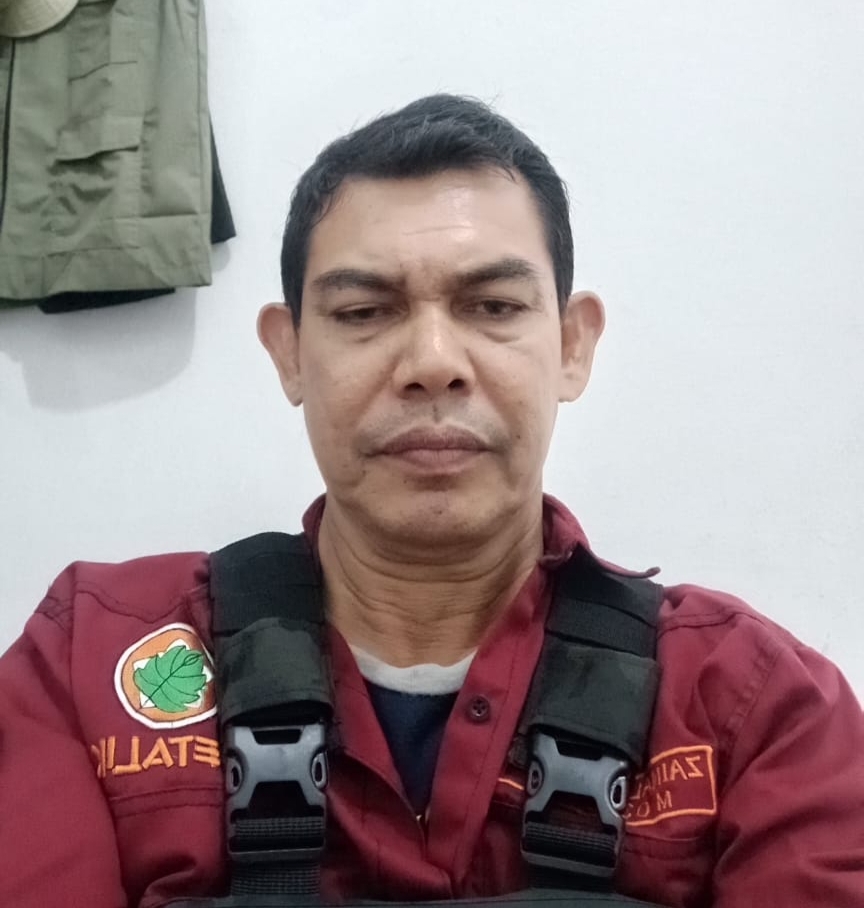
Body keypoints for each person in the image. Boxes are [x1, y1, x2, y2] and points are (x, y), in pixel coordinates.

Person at [0, 94, 861, 908]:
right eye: (364, 312)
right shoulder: (90, 661)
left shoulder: (751, 707)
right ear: (289, 353)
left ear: (571, 345)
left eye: (493, 306)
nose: (433, 363)